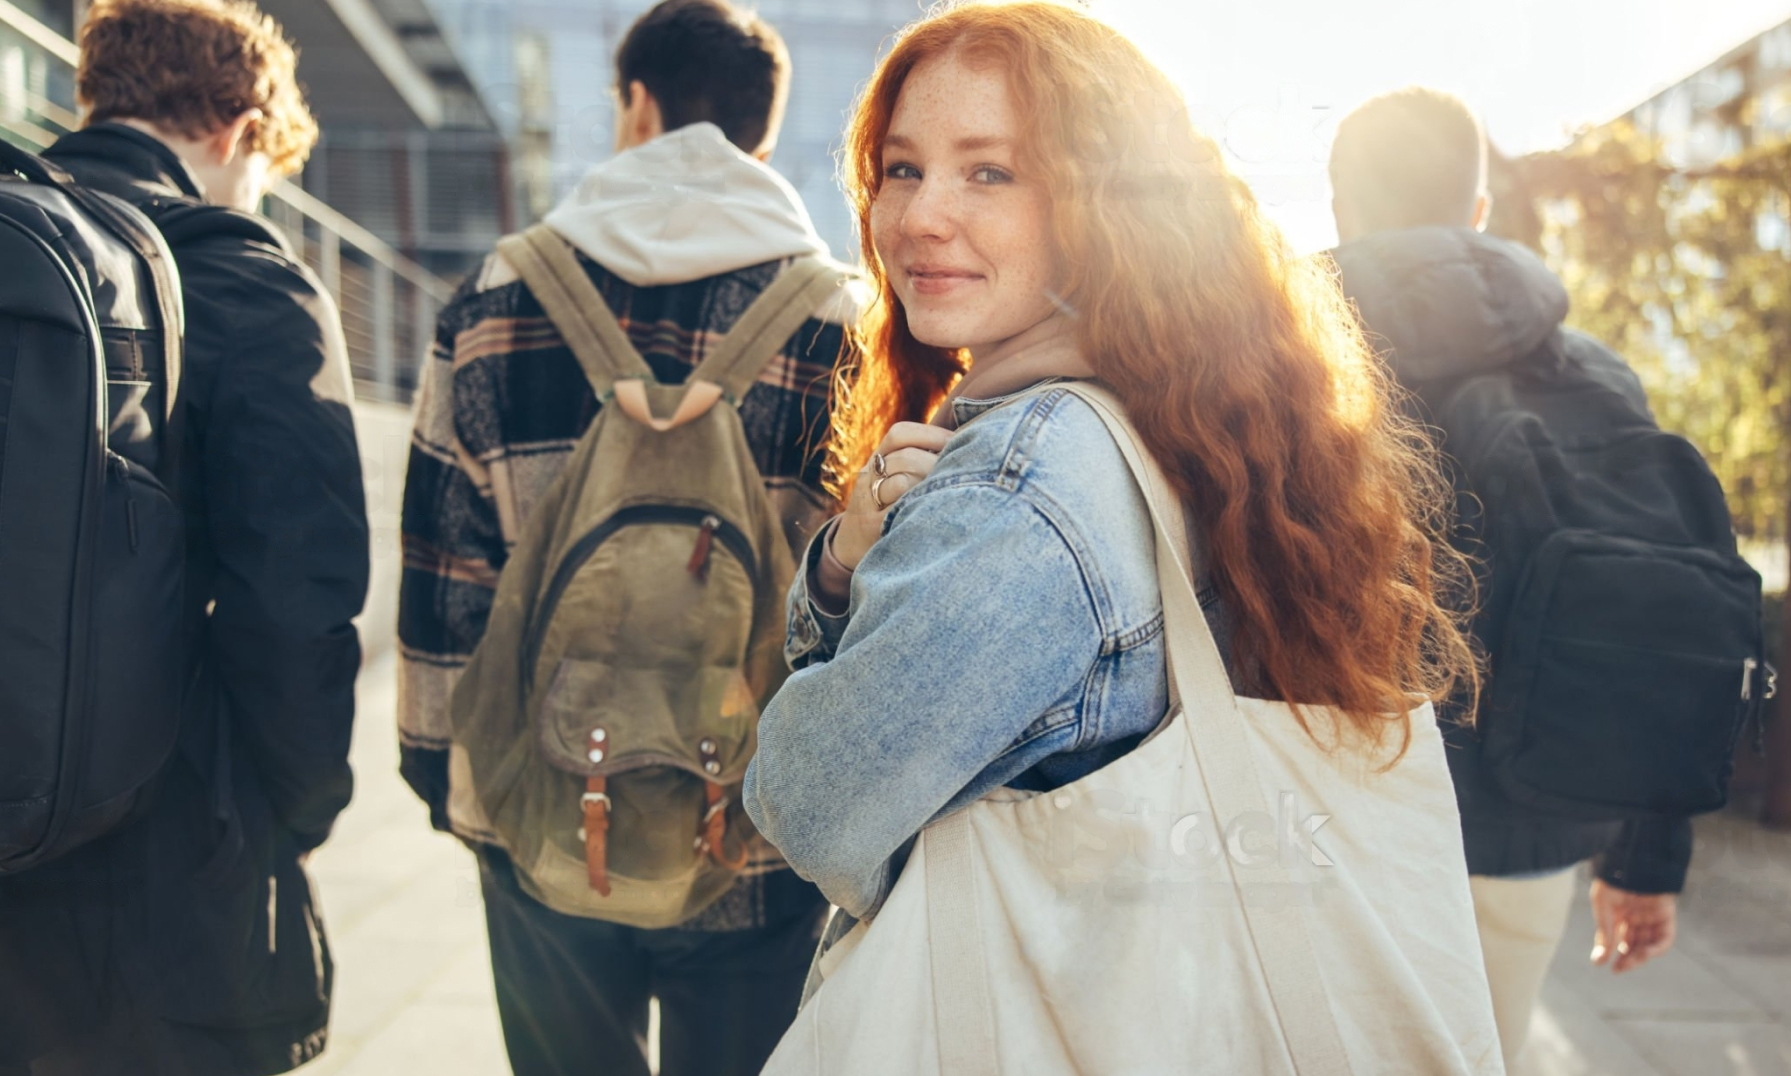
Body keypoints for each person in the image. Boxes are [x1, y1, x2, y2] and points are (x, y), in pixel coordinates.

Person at [744, 0, 1476, 1021]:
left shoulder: (1025, 485)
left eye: (989, 171)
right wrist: (846, 561)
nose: (918, 216)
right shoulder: (1183, 414)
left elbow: (814, 804)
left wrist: (833, 591)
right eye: (902, 168)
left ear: (1104, 205)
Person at [395, 2, 855, 1073]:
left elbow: (444, 569)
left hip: (546, 810)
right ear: (762, 135)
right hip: (748, 831)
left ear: (636, 104)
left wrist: (451, 785)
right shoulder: (840, 318)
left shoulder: (497, 296)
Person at [0, 1, 370, 1073]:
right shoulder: (248, 281)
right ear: (241, 129)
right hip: (168, 883)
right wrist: (294, 812)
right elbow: (300, 601)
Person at [1328, 87, 1690, 1070]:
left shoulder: (1282, 369)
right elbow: (1658, 610)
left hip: (1321, 823)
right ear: (1477, 214)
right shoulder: (1597, 375)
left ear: (1339, 210)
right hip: (1532, 820)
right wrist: (1646, 855)